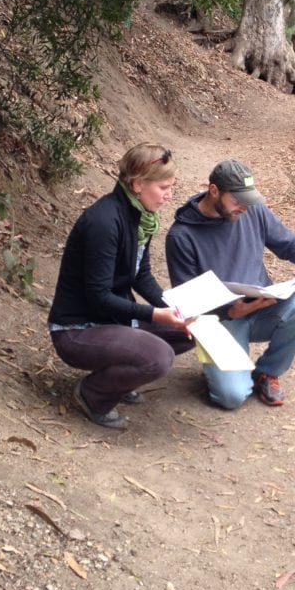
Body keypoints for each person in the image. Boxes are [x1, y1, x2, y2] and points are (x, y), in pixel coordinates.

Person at [48, 143, 192, 430]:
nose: (169, 195)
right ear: (138, 184)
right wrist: (154, 315)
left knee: (194, 328)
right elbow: (99, 297)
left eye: (171, 187)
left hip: (114, 320)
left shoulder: (141, 217)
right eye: (163, 187)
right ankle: (94, 395)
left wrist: (174, 308)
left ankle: (121, 377)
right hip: (78, 330)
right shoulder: (104, 222)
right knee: (159, 358)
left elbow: (141, 275)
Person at [166, 160, 295, 410]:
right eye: (237, 201)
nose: (244, 208)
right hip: (219, 322)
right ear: (214, 190)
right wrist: (230, 312)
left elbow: (286, 241)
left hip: (261, 305)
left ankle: (267, 372)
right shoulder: (181, 236)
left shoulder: (252, 210)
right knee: (231, 397)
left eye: (248, 201)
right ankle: (222, 373)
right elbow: (187, 304)